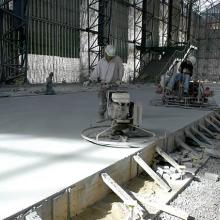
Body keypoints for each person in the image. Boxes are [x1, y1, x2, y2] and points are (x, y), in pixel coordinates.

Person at [84, 45, 124, 120]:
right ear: (105, 53)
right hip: (103, 85)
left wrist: (119, 79)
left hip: (113, 84)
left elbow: (121, 70)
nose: (110, 58)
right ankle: (101, 115)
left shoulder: (117, 60)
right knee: (103, 101)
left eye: (111, 56)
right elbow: (96, 72)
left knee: (113, 101)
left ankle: (113, 116)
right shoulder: (101, 62)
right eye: (108, 56)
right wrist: (90, 80)